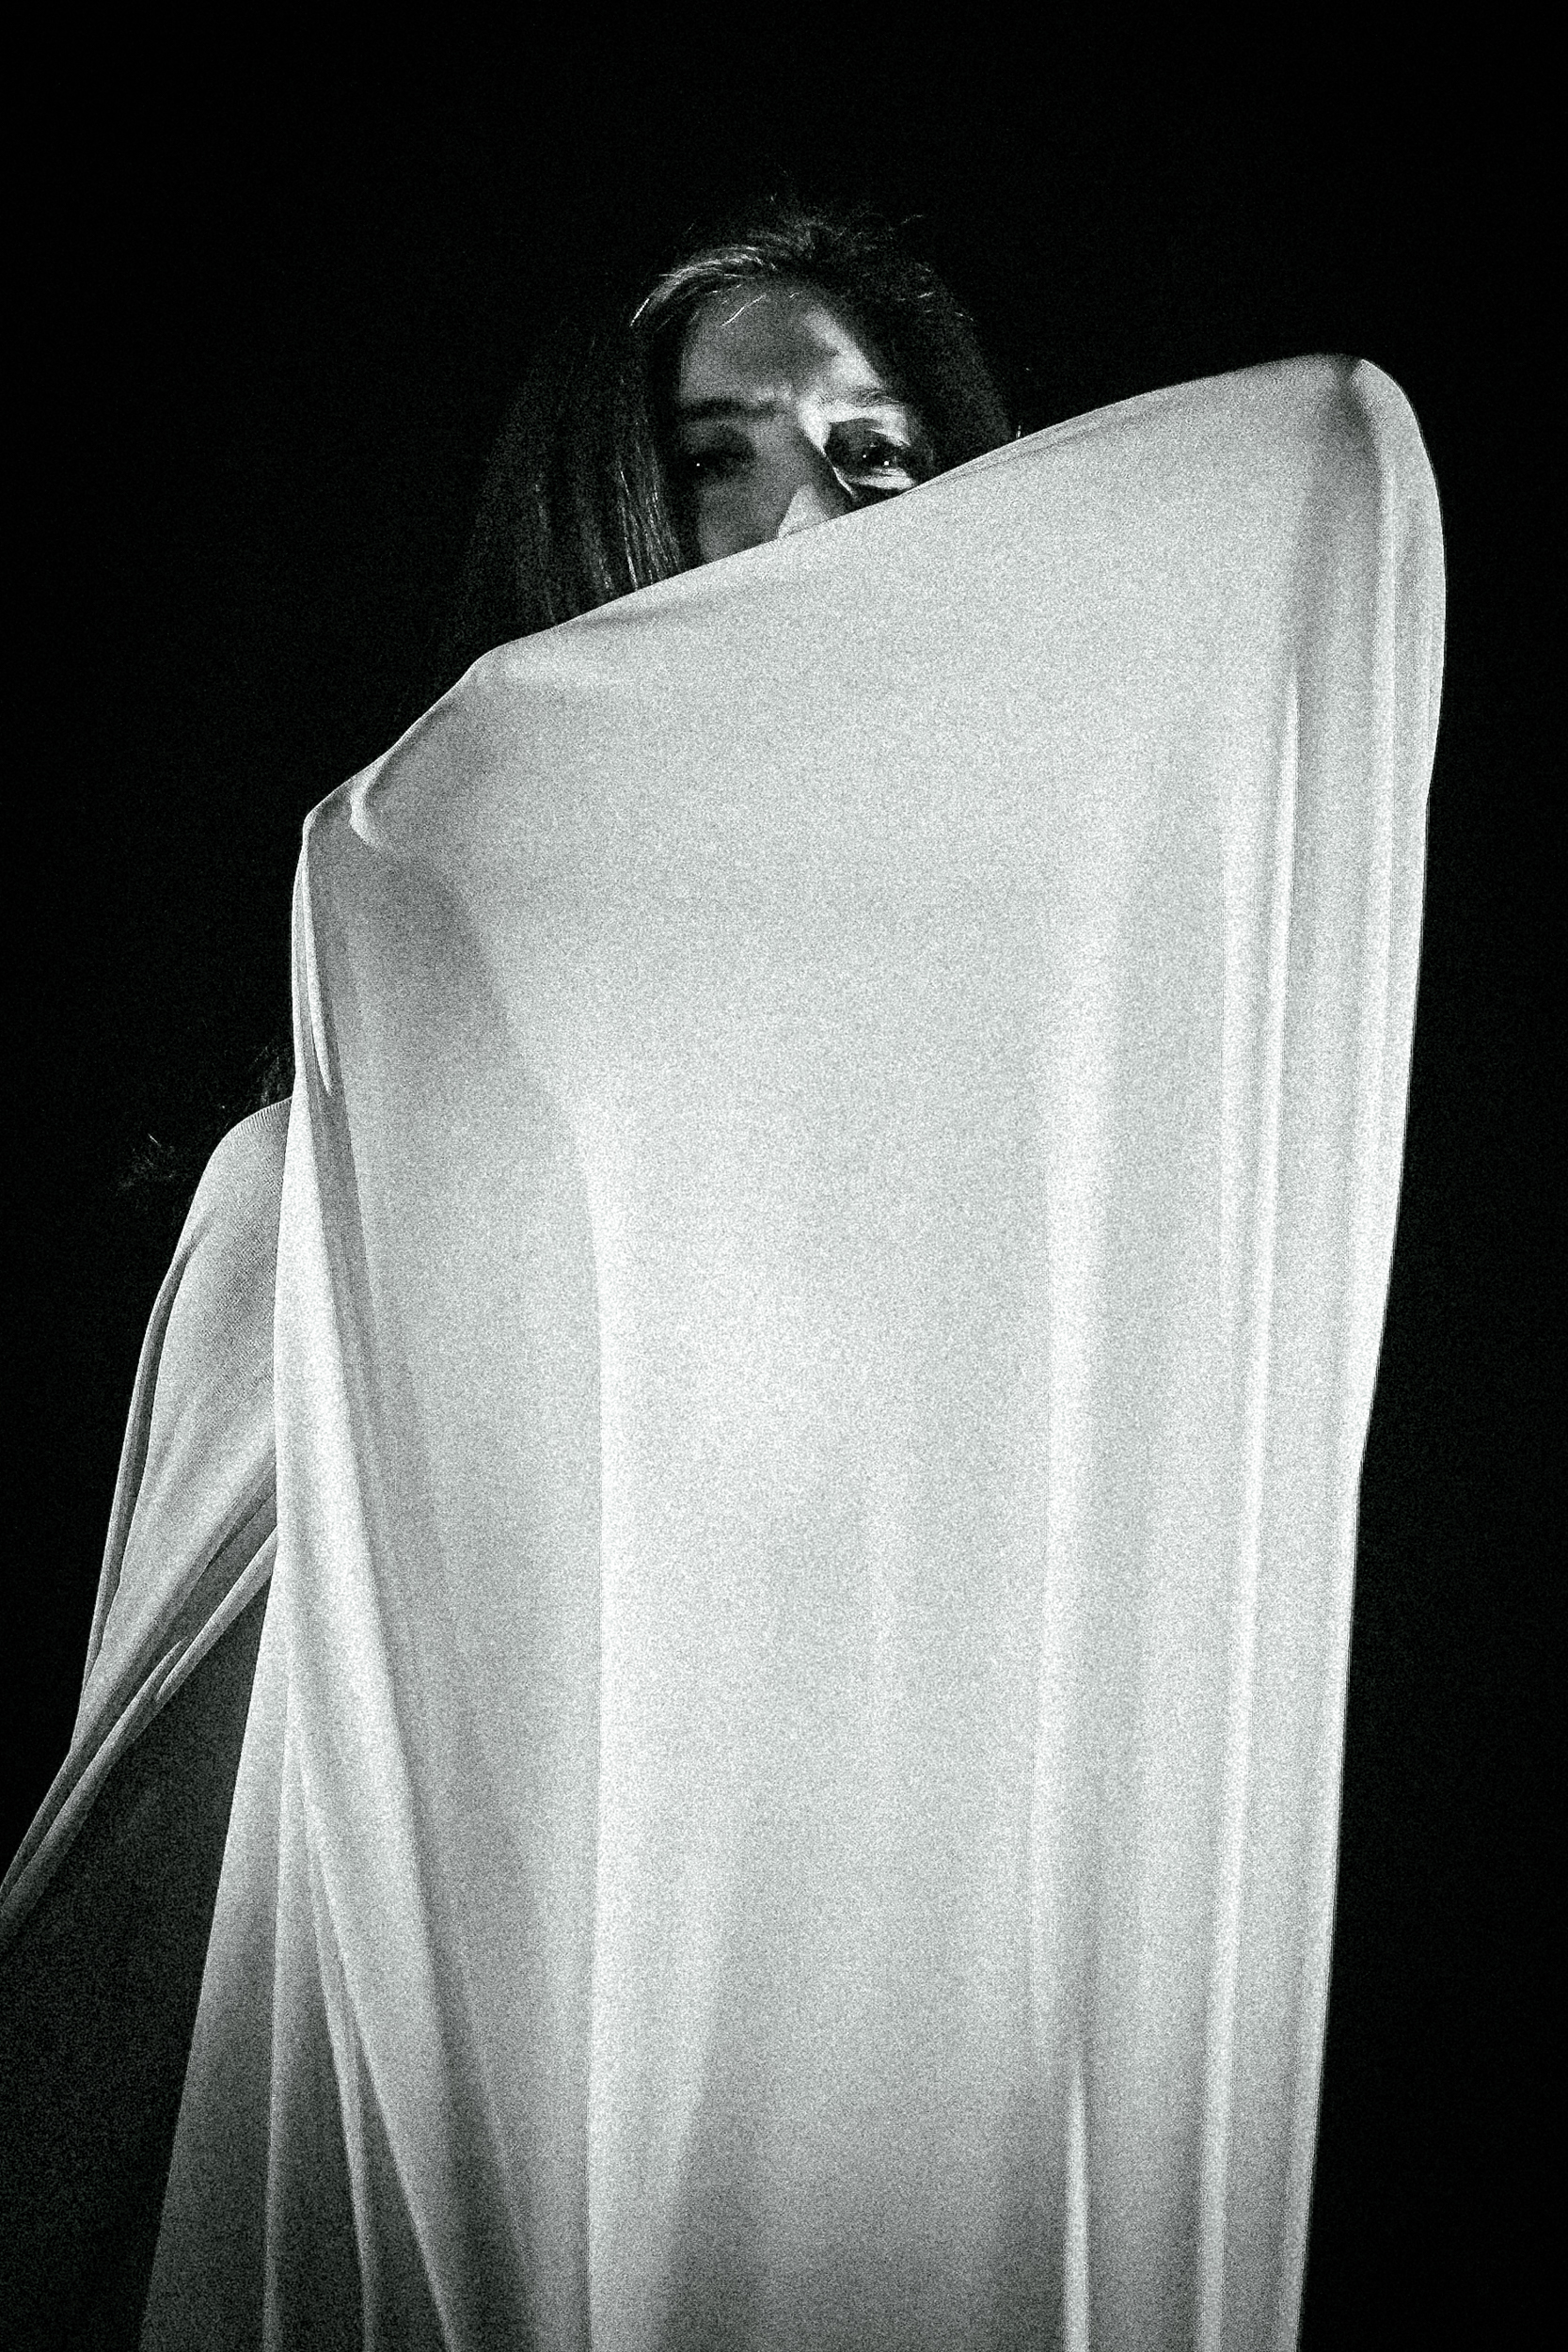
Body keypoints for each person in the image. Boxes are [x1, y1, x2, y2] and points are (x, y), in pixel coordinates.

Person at [0, 189, 1016, 2350]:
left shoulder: (1002, 1228)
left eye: (879, 457)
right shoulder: (348, 1195)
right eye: (719, 455)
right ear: (596, 528)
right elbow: (129, 1912)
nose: (808, 520)